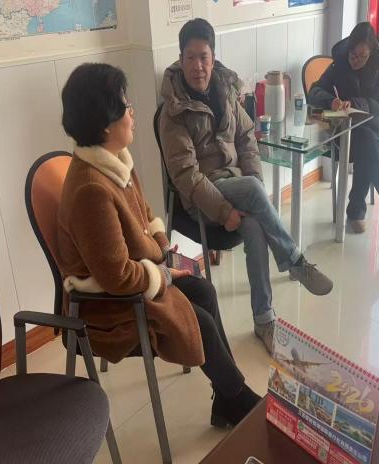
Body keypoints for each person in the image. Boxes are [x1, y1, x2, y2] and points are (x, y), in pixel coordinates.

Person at [57, 63, 260, 428]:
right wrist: (163, 274)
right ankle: (237, 398)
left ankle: (228, 398)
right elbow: (118, 277)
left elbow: (147, 214)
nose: (133, 113)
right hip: (109, 307)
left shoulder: (115, 161)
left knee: (203, 291)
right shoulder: (90, 190)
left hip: (136, 276)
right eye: (125, 105)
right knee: (198, 320)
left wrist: (164, 251)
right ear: (105, 123)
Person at [159, 18, 333, 354]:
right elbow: (186, 176)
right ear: (181, 60)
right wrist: (225, 210)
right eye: (190, 58)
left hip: (237, 184)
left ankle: (263, 319)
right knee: (252, 190)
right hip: (200, 198)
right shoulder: (174, 112)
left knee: (254, 226)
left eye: (204, 57)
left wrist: (251, 183)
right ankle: (295, 261)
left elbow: (246, 138)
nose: (198, 66)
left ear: (213, 58)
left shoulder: (224, 92)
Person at [308, 22, 379, 233]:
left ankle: (357, 211)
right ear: (348, 49)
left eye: (362, 56)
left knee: (366, 142)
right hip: (344, 131)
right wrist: (331, 101)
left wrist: (355, 104)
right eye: (353, 54)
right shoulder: (339, 64)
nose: (356, 60)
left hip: (371, 126)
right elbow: (314, 91)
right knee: (368, 145)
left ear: (371, 53)